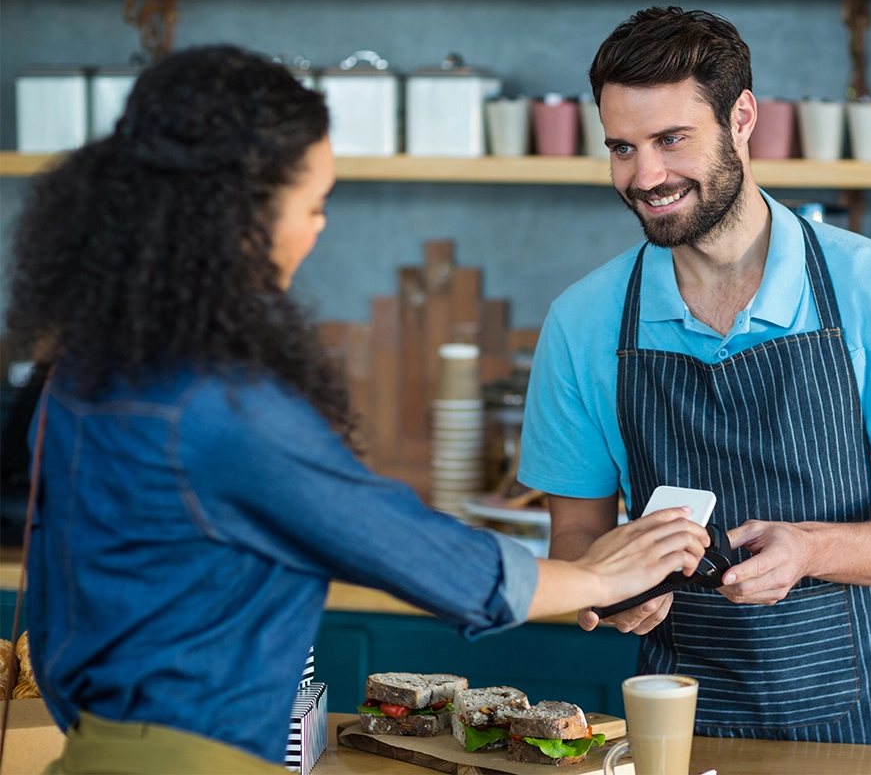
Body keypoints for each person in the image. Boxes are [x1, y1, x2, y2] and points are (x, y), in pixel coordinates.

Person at [6, 45, 709, 773]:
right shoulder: (219, 405)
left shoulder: (85, 371)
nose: (317, 229)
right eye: (312, 205)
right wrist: (599, 577)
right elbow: (404, 547)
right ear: (237, 217)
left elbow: (57, 619)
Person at [517, 7, 871, 747]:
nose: (645, 177)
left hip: (870, 721)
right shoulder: (583, 322)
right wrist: (604, 585)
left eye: (672, 139)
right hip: (678, 718)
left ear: (742, 119)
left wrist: (812, 551)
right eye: (621, 148)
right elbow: (576, 531)